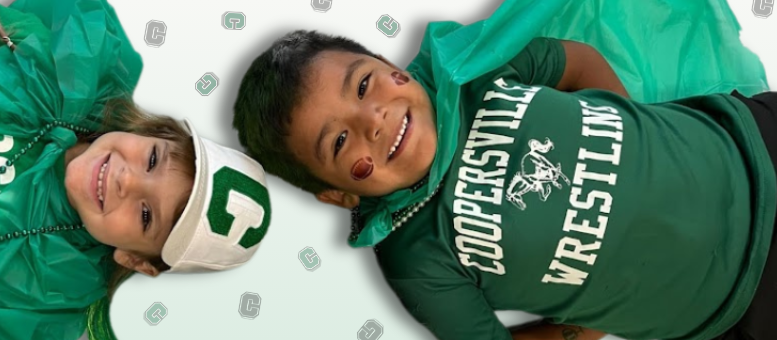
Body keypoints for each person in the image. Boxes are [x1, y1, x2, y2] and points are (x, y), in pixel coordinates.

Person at [231, 20, 777, 340]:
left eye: (365, 83)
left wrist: (638, 137)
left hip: (750, 140)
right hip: (742, 302)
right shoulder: (417, 259)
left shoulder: (472, 69)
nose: (372, 118)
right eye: (340, 143)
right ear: (338, 193)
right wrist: (581, 327)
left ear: (385, 63)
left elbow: (575, 63)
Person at [0, 1, 274, 340]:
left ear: (135, 259)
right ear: (157, 130)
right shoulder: (56, 68)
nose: (127, 180)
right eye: (153, 160)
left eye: (146, 216)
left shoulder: (34, 276)